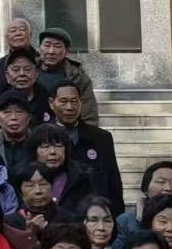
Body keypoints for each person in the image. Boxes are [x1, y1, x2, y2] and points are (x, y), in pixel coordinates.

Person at [47, 82, 123, 215]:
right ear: (52, 103)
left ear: (81, 103)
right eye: (63, 101)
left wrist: (116, 216)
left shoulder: (101, 137)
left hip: (94, 212)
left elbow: (113, 181)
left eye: (74, 101)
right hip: (57, 213)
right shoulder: (41, 136)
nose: (69, 107)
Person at [37, 28, 99, 126]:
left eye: (57, 46)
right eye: (47, 45)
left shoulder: (78, 78)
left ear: (66, 52)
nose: (51, 51)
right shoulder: (27, 72)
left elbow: (89, 116)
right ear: (39, 49)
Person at [29, 124, 94, 217]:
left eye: (58, 145)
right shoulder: (22, 177)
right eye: (45, 146)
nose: (53, 152)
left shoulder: (82, 178)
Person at [7, 162, 72, 235]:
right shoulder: (9, 223)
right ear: (20, 190)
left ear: (52, 187)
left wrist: (47, 230)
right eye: (30, 185)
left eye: (43, 184)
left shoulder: (69, 220)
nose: (38, 191)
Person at [0, 45, 49, 124]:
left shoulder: (46, 99)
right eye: (16, 70)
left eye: (27, 69)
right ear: (7, 76)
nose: (22, 74)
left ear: (36, 74)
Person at [0, 90, 36, 175]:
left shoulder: (39, 145)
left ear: (29, 118)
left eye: (19, 112)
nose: (13, 117)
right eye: (7, 112)